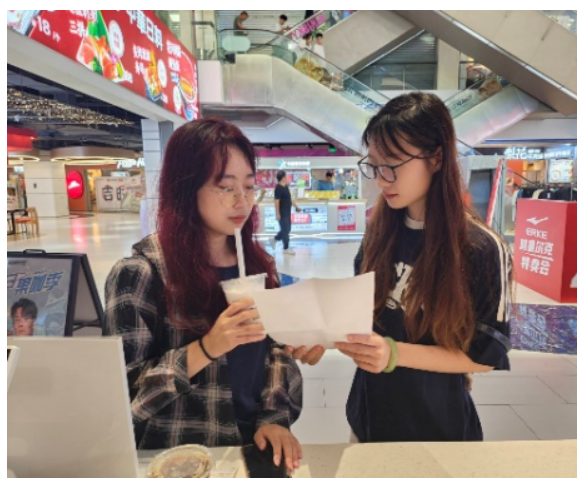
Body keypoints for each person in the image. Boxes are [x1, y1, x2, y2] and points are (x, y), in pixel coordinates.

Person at [105, 117, 318, 472]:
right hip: (180, 457)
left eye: (249, 187)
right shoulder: (140, 274)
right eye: (226, 187)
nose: (242, 200)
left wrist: (273, 416)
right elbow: (124, 399)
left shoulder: (258, 265)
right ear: (186, 188)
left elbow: (275, 351)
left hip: (253, 445)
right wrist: (207, 347)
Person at [335, 93, 513, 443]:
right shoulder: (378, 233)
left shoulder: (480, 248)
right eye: (373, 166)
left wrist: (394, 353)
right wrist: (321, 334)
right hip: (368, 418)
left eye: (392, 165)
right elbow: (363, 317)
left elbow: (485, 355)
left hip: (437, 428)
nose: (381, 180)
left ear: (436, 158)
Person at [269, 170, 301, 255]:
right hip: (282, 212)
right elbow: (276, 201)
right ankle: (286, 248)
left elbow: (289, 199)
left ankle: (274, 239)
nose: (287, 178)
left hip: (287, 211)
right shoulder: (278, 188)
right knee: (285, 230)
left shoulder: (285, 187)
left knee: (287, 229)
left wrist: (296, 206)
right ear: (283, 178)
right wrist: (278, 213)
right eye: (286, 176)